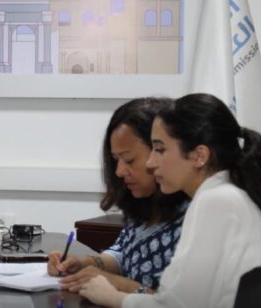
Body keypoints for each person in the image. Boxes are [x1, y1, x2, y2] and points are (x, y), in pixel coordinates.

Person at [80, 93, 261, 308]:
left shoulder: (217, 200)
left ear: (199, 155)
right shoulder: (223, 194)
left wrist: (112, 296)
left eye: (160, 149)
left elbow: (177, 305)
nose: (151, 162)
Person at [49, 98, 188, 293]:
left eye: (129, 160)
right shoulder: (142, 203)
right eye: (116, 160)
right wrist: (84, 265)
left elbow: (180, 302)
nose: (119, 171)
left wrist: (114, 283)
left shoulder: (195, 216)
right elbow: (123, 254)